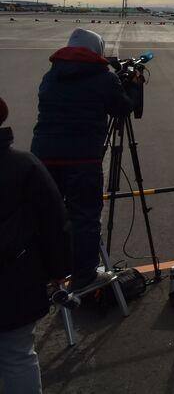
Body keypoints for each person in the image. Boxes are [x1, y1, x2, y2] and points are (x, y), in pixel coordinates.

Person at [30, 28, 133, 287]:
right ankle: (84, 275)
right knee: (85, 217)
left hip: (44, 156)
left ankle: (44, 274)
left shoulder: (50, 76)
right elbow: (122, 108)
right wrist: (125, 84)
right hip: (82, 159)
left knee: (46, 216)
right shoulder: (103, 77)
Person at [1, 97, 70, 393]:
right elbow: (54, 221)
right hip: (14, 280)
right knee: (17, 356)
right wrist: (59, 271)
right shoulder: (23, 165)